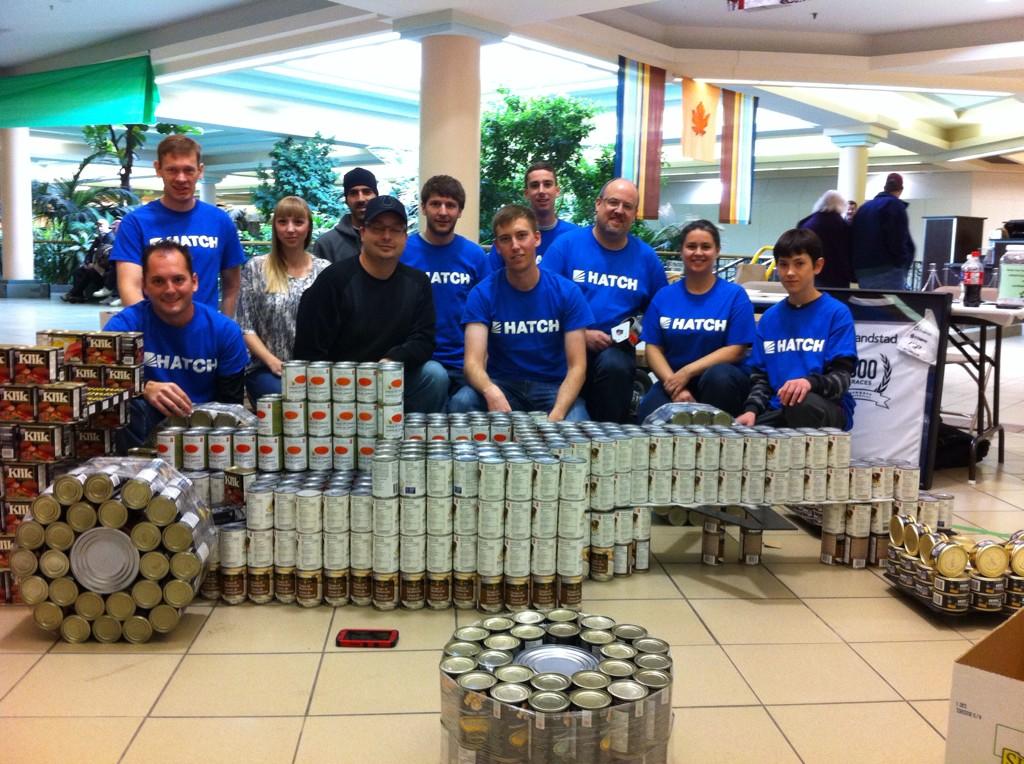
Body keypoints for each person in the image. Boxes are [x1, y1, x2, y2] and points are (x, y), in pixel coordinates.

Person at [293, 195, 448, 413]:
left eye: (395, 230)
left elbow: (424, 340)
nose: (387, 236)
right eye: (378, 228)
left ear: (405, 237)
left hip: (392, 374)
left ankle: (414, 439)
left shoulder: (417, 282)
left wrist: (392, 359)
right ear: (363, 233)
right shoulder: (333, 281)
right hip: (340, 383)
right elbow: (309, 352)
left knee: (435, 375)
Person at [541, 177, 668, 422]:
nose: (619, 210)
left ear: (634, 214)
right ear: (598, 204)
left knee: (615, 364)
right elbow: (542, 301)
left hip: (615, 351)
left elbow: (657, 313)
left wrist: (629, 334)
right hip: (563, 344)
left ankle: (607, 440)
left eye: (627, 206)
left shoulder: (646, 258)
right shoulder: (566, 246)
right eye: (613, 202)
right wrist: (580, 334)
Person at [450, 205, 593, 421]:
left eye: (522, 236)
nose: (515, 246)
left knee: (577, 422)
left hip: (552, 388)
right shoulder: (483, 293)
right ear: (497, 247)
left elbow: (577, 366)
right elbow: (472, 364)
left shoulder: (567, 292)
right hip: (503, 384)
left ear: (536, 238)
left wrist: (558, 413)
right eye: (506, 239)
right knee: (462, 402)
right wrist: (491, 391)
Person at [105, 240, 248, 452]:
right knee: (126, 405)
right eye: (158, 281)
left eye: (178, 280)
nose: (170, 290)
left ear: (194, 282)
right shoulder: (125, 325)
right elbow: (95, 381)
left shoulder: (224, 331)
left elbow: (230, 407)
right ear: (144, 286)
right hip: (145, 424)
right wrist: (142, 387)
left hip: (203, 429)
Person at [736, 228, 857, 430]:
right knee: (742, 435)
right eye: (783, 265)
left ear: (817, 266)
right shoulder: (769, 319)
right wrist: (752, 410)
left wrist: (809, 383)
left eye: (799, 264)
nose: (790, 272)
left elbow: (841, 378)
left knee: (801, 404)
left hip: (824, 407)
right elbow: (761, 379)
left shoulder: (837, 314)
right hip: (779, 409)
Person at [110, 135, 246, 315]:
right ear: (158, 169)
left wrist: (223, 330)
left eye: (188, 170)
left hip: (206, 336)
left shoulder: (220, 221)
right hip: (154, 335)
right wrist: (152, 331)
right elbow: (130, 287)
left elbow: (232, 287)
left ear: (200, 171)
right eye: (172, 170)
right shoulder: (135, 223)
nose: (181, 178)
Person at [635, 220, 755, 423]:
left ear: (717, 251)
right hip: (673, 380)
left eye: (706, 247)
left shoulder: (734, 295)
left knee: (718, 377)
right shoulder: (664, 296)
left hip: (721, 383)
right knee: (648, 414)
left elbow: (736, 349)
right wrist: (675, 386)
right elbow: (653, 349)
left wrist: (687, 372)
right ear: (681, 251)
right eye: (691, 246)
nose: (698, 252)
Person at [401, 175, 490, 395]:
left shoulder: (475, 255)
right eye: (435, 204)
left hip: (465, 363)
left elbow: (489, 311)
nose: (443, 212)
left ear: (460, 211)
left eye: (450, 205)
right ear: (423, 207)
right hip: (419, 364)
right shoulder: (403, 251)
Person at [237, 196, 330, 402]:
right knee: (290, 402)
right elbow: (245, 327)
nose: (290, 229)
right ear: (275, 226)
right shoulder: (256, 268)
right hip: (266, 369)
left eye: (298, 222)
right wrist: (271, 361)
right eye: (283, 222)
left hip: (314, 370)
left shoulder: (324, 270)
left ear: (308, 227)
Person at [487, 161, 579, 270]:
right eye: (535, 185)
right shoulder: (510, 235)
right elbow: (491, 278)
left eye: (547, 184)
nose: (541, 191)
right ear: (526, 193)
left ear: (557, 191)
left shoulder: (574, 236)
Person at [850, 172, 915, 290]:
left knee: (870, 305)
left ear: (885, 187)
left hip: (863, 271)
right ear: (901, 189)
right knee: (889, 307)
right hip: (887, 270)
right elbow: (897, 240)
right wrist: (902, 263)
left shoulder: (864, 207)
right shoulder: (894, 205)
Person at [312, 167, 378, 264]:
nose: (361, 199)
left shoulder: (388, 239)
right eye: (354, 193)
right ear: (346, 200)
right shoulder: (326, 244)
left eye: (366, 192)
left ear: (376, 196)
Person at [798, 190, 853, 289]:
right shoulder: (841, 225)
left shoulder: (808, 222)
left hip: (811, 271)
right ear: (840, 205)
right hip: (836, 275)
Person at [62, 219, 113, 303]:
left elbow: (106, 257)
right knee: (78, 271)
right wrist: (87, 262)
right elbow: (90, 252)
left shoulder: (111, 238)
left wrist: (95, 265)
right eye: (98, 226)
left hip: (103, 268)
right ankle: (78, 295)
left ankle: (72, 293)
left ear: (108, 226)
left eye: (101, 225)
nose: (99, 228)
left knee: (89, 272)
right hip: (94, 265)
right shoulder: (98, 239)